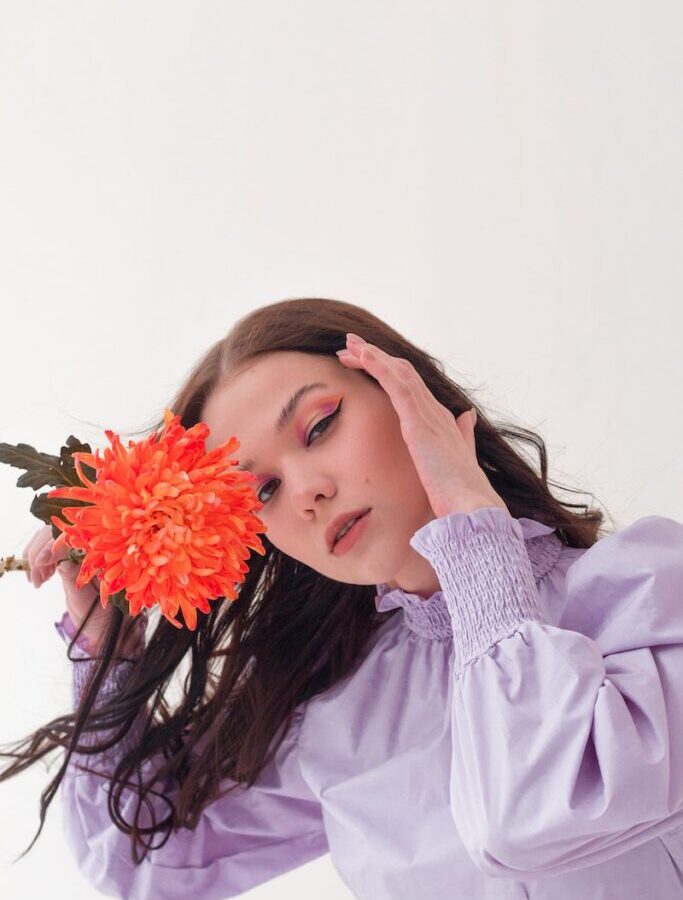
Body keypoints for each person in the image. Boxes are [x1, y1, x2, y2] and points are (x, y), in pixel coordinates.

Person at [4, 296, 683, 899]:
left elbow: (535, 816)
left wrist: (474, 532)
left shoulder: (647, 594)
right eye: (262, 492)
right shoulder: (334, 718)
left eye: (319, 426)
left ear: (407, 393)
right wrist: (106, 647)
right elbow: (139, 867)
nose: (306, 491)